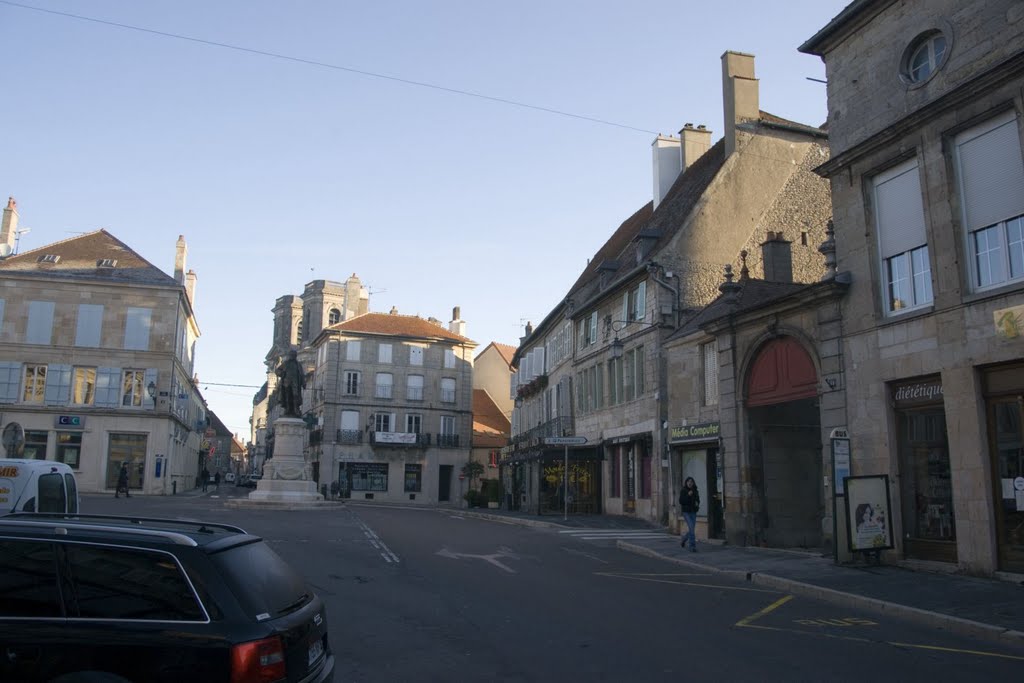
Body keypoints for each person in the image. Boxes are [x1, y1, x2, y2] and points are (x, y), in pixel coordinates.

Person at [275, 349, 305, 417]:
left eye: (294, 355)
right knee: (287, 396)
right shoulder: (286, 363)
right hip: (287, 383)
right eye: (292, 355)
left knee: (295, 396)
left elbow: (302, 374)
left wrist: (303, 383)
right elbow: (277, 370)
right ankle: (287, 409)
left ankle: (296, 409)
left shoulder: (298, 364)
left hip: (296, 383)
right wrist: (281, 374)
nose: (293, 356)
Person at [679, 476, 700, 552]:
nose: (690, 483)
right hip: (686, 512)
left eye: (691, 482)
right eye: (688, 481)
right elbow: (681, 501)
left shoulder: (695, 490)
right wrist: (688, 495)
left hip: (693, 512)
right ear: (686, 482)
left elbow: (698, 499)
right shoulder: (683, 490)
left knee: (691, 529)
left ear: (693, 483)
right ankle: (692, 546)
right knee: (691, 528)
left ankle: (683, 540)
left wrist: (697, 503)